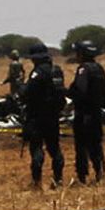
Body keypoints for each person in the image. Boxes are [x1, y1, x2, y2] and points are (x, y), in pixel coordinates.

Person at [18, 43, 65, 189]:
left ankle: (36, 182)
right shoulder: (56, 71)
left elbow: (27, 93)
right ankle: (58, 180)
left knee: (36, 149)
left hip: (37, 117)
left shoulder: (37, 73)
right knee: (55, 148)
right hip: (53, 116)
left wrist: (21, 86)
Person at [67, 40, 105, 184]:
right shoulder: (99, 68)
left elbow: (80, 91)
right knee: (96, 144)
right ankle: (100, 172)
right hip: (96, 113)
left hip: (83, 114)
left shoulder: (83, 69)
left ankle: (83, 176)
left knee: (82, 146)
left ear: (82, 54)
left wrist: (69, 94)